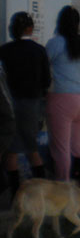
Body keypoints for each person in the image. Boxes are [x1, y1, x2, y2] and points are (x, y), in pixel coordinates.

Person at [0, 12, 51, 192]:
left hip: (9, 105)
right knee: (32, 149)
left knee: (11, 152)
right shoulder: (39, 50)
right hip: (32, 105)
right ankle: (41, 193)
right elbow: (47, 81)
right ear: (30, 29)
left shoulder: (4, 50)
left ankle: (16, 195)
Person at [45, 6, 80, 183]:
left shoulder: (55, 43)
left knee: (61, 149)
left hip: (60, 99)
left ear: (60, 22)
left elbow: (43, 66)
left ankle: (62, 188)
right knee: (78, 147)